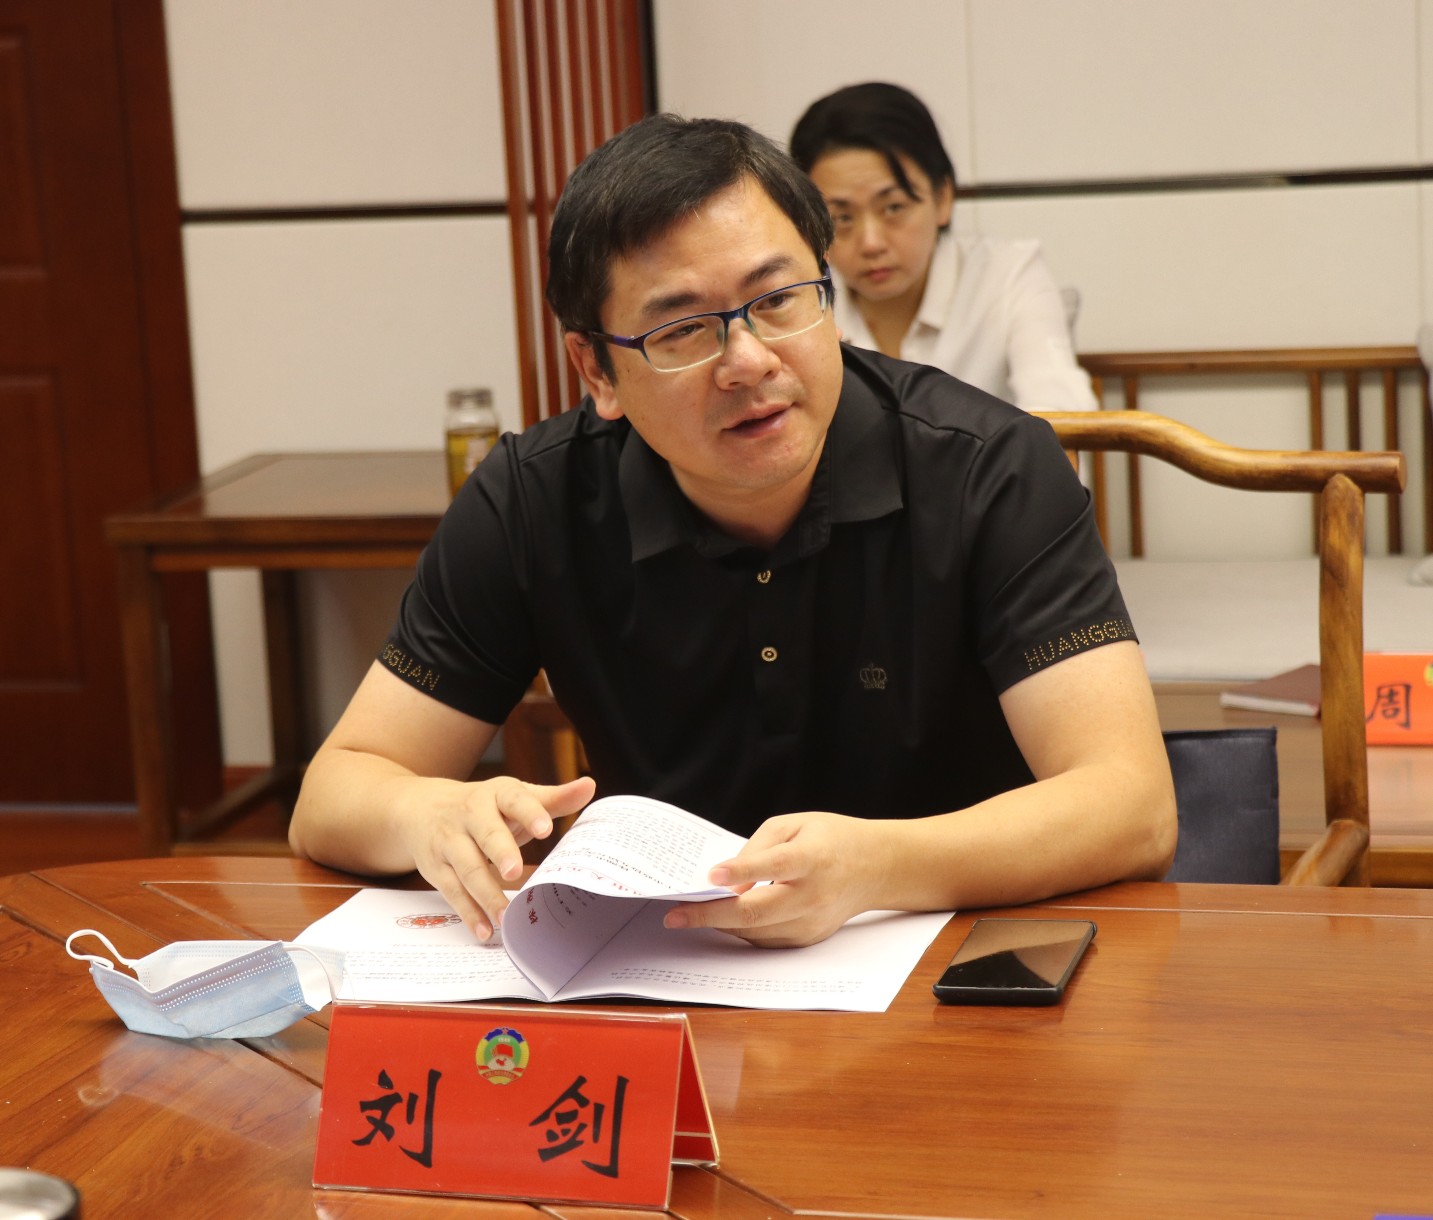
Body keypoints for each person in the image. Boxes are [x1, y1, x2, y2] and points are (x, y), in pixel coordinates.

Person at [288, 113, 1175, 949]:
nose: (749, 360)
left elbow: (1130, 804)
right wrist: (425, 813)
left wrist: (880, 867)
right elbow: (334, 792)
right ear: (596, 370)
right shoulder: (531, 502)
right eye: (682, 330)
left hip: (958, 959)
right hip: (664, 973)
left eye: (779, 299)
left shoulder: (990, 468)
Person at [789, 82, 1096, 413]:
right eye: (841, 217)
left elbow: (1063, 415)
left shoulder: (1008, 275)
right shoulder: (798, 297)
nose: (871, 243)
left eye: (893, 207)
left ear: (943, 197)